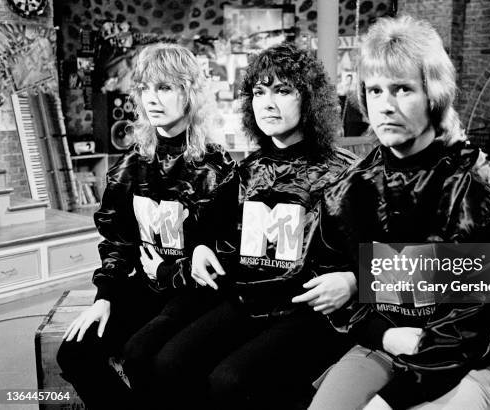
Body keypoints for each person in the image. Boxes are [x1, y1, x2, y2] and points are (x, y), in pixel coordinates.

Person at [308, 15, 490, 410]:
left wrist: (409, 377)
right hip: (383, 342)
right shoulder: (349, 188)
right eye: (374, 91)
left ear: (433, 95)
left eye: (402, 89)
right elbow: (332, 288)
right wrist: (383, 335)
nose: (386, 106)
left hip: (467, 356)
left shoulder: (480, 186)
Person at [148, 43, 358, 409]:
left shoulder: (346, 172)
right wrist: (198, 249)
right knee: (169, 363)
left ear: (309, 98)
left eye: (283, 90)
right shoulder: (246, 171)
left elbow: (389, 252)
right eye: (259, 92)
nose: (268, 102)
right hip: (250, 299)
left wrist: (354, 281)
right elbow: (206, 227)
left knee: (230, 380)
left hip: (310, 311)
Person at [56, 43, 235, 409]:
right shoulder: (129, 166)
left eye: (165, 87)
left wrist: (174, 271)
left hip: (193, 296)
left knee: (144, 359)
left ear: (189, 92)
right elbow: (118, 242)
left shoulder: (217, 169)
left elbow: (221, 256)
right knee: (73, 353)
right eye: (145, 88)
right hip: (143, 288)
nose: (152, 99)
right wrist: (105, 297)